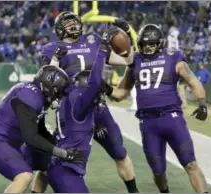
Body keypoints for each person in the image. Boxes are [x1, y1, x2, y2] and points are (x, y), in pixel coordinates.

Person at [103, 24, 209, 193]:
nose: (148, 47)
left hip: (172, 118)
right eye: (145, 44)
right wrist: (104, 87)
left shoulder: (173, 57)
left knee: (190, 162)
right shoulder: (135, 61)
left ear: (160, 43)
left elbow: (192, 80)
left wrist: (202, 102)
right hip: (148, 123)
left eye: (152, 44)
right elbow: (121, 93)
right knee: (158, 172)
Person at [40, 12, 138, 193]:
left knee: (120, 153)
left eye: (74, 22)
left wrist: (127, 35)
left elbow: (128, 59)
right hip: (72, 111)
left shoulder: (93, 40)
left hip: (98, 107)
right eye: (68, 23)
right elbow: (47, 78)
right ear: (59, 28)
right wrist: (54, 60)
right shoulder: (52, 48)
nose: (73, 26)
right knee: (56, 158)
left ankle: (134, 191)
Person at [0, 65, 84, 193]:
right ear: (47, 86)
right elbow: (30, 137)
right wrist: (62, 153)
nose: (57, 97)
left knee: (50, 164)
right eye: (57, 91)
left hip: (13, 144)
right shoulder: (29, 95)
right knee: (24, 176)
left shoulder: (36, 95)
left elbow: (40, 130)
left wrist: (61, 147)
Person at [47, 39, 111, 193]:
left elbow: (75, 125)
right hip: (67, 171)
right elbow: (94, 84)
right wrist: (101, 51)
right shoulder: (78, 101)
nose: (99, 96)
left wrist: (95, 125)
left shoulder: (70, 101)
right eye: (96, 94)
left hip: (62, 168)